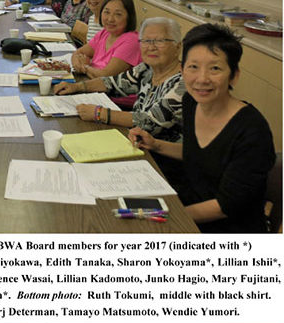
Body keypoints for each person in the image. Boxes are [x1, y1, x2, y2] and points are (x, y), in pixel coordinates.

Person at [129, 23, 276, 233]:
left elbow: (226, 206)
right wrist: (156, 145)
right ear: (182, 70)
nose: (202, 79)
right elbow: (200, 153)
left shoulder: (252, 131)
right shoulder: (192, 102)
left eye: (215, 68)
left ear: (234, 75)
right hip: (189, 203)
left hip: (227, 227)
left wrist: (167, 215)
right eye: (193, 67)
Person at [54, 17, 184, 143]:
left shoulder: (183, 82)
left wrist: (100, 113)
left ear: (177, 47)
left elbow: (150, 122)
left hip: (162, 158)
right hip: (136, 140)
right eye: (146, 41)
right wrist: (77, 87)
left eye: (160, 41)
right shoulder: (146, 68)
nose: (151, 47)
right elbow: (112, 83)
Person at [71, 0, 141, 78]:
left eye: (118, 14)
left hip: (107, 89)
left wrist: (85, 67)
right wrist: (78, 63)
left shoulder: (132, 41)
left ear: (129, 17)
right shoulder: (105, 33)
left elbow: (105, 77)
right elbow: (77, 53)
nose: (110, 19)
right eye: (107, 12)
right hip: (92, 84)